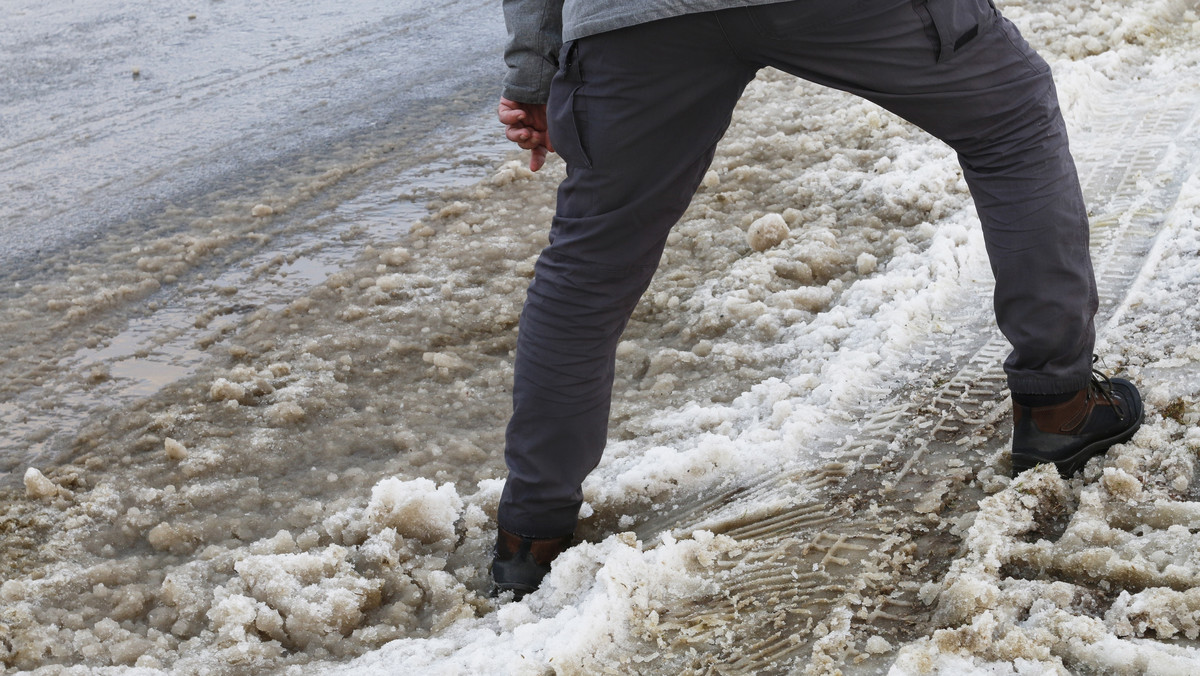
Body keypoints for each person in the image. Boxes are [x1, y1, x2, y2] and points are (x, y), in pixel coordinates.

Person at [489, 0, 1144, 598]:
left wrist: (533, 74)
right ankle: (1059, 410)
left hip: (634, 19)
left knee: (589, 263)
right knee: (1011, 120)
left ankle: (530, 537)